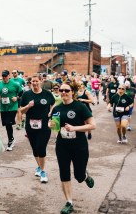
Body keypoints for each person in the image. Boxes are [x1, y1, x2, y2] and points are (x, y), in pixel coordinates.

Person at [49, 81, 96, 214]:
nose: (63, 92)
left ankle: (85, 176)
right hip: (62, 145)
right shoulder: (57, 108)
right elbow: (55, 125)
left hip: (79, 146)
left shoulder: (80, 107)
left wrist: (75, 128)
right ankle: (69, 202)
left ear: (72, 92)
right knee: (64, 173)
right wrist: (51, 124)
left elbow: (93, 125)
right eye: (61, 90)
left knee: (79, 176)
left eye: (67, 90)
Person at [20, 74, 55, 183]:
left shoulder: (47, 94)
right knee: (35, 148)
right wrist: (28, 106)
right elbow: (21, 110)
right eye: (32, 82)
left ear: (40, 81)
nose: (34, 83)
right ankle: (39, 166)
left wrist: (51, 112)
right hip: (30, 126)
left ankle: (43, 171)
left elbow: (54, 104)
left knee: (41, 147)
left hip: (44, 125)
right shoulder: (26, 94)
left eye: (36, 81)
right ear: (30, 83)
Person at [0, 70, 22, 151]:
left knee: (9, 123)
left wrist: (16, 97)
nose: (4, 77)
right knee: (6, 124)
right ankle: (11, 138)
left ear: (9, 76)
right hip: (3, 107)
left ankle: (10, 140)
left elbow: (21, 92)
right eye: (3, 76)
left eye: (6, 76)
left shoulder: (14, 84)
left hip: (13, 106)